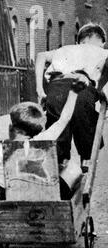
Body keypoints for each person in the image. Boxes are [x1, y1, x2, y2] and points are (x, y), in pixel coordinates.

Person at [0, 72, 91, 201]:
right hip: (47, 195)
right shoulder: (44, 140)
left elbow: (2, 185)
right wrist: (73, 92)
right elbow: (64, 119)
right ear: (37, 130)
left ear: (11, 126)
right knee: (72, 168)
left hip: (12, 198)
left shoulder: (0, 151)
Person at [35, 23, 108, 166]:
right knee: (86, 125)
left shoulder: (65, 49)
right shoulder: (103, 52)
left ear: (78, 41)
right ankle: (86, 161)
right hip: (82, 87)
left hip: (56, 87)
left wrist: (39, 89)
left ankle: (60, 163)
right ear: (102, 42)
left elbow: (41, 56)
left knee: (57, 131)